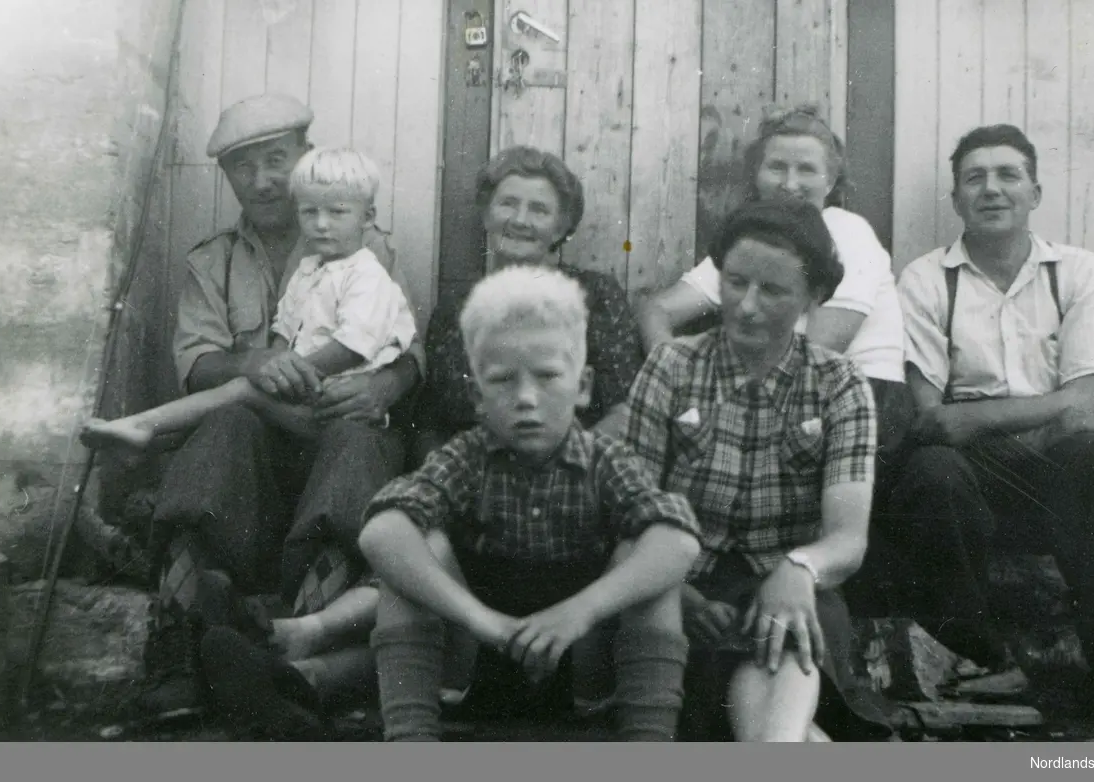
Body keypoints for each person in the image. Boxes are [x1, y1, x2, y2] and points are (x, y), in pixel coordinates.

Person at [138, 94, 426, 723]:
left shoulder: (366, 248)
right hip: (256, 470)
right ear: (228, 177)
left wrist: (390, 386)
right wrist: (253, 364)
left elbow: (407, 345)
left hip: (337, 444)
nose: (264, 180)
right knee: (224, 422)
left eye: (277, 160)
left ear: (303, 157)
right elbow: (196, 363)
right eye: (245, 167)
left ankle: (290, 652)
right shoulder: (211, 261)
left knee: (356, 440)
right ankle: (177, 647)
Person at [359, 265, 702, 742]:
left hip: (582, 669)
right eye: (502, 381)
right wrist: (484, 622)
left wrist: (578, 612)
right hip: (478, 662)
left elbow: (679, 545)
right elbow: (381, 532)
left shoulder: (606, 460)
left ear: (582, 387)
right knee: (415, 541)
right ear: (477, 397)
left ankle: (647, 742)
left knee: (645, 553)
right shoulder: (466, 457)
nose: (525, 398)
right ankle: (412, 740)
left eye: (546, 377)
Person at [889, 124, 1094, 721]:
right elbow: (930, 419)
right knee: (933, 467)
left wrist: (977, 416)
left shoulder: (1077, 272)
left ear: (1034, 192)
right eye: (974, 178)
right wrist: (1042, 406)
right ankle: (979, 656)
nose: (992, 189)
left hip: (1051, 466)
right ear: (957, 199)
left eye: (1008, 175)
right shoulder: (927, 279)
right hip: (964, 474)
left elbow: (1081, 403)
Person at [624, 200, 894, 742]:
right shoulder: (672, 367)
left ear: (813, 298)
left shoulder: (839, 385)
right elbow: (631, 512)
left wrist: (799, 568)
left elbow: (847, 539)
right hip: (679, 587)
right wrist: (676, 589)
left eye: (772, 291)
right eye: (735, 282)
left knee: (789, 631)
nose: (746, 307)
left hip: (795, 591)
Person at [636, 104, 910, 483]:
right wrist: (671, 375)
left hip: (859, 397)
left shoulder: (847, 232)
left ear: (830, 182)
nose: (790, 182)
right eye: (777, 167)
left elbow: (821, 351)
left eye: (807, 170)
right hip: (772, 391)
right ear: (758, 176)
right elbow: (657, 309)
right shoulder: (755, 239)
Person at [80, 147, 415, 450]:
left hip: (338, 409)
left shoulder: (368, 275)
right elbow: (284, 333)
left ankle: (146, 431)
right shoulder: (308, 270)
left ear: (367, 218)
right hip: (304, 397)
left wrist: (293, 373)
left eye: (337, 212)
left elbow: (352, 347)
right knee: (240, 401)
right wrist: (277, 369)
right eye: (309, 212)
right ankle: (147, 437)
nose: (321, 225)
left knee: (243, 391)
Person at [414, 145, 645, 456]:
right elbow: (431, 421)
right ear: (486, 214)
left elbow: (623, 411)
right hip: (473, 476)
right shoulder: (458, 304)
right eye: (508, 204)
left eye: (539, 210)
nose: (520, 221)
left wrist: (562, 471)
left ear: (561, 227)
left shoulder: (596, 295)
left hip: (572, 475)